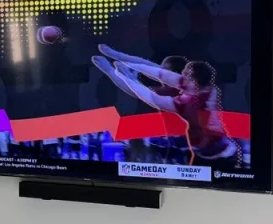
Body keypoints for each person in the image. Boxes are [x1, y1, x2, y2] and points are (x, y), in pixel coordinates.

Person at [92, 45, 237, 166]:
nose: (181, 76)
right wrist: (116, 56)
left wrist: (114, 72)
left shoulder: (189, 103)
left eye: (185, 74)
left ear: (193, 80)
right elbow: (155, 71)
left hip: (217, 156)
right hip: (208, 150)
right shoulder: (198, 86)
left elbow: (146, 93)